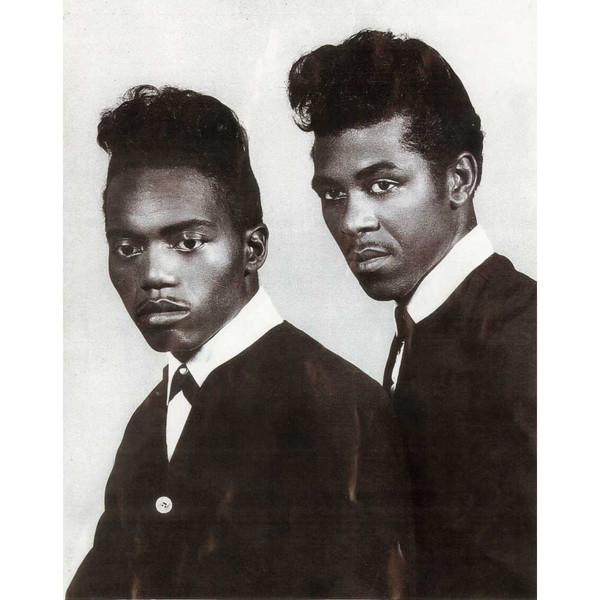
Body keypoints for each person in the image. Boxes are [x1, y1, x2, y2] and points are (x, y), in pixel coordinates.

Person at [66, 85, 413, 599]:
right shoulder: (149, 423)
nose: (153, 274)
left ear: (252, 249)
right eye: (127, 247)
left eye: (187, 242)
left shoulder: (337, 407)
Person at [288, 30, 536, 598]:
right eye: (332, 194)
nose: (352, 221)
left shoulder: (525, 337)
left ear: (460, 180)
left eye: (382, 184)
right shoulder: (424, 328)